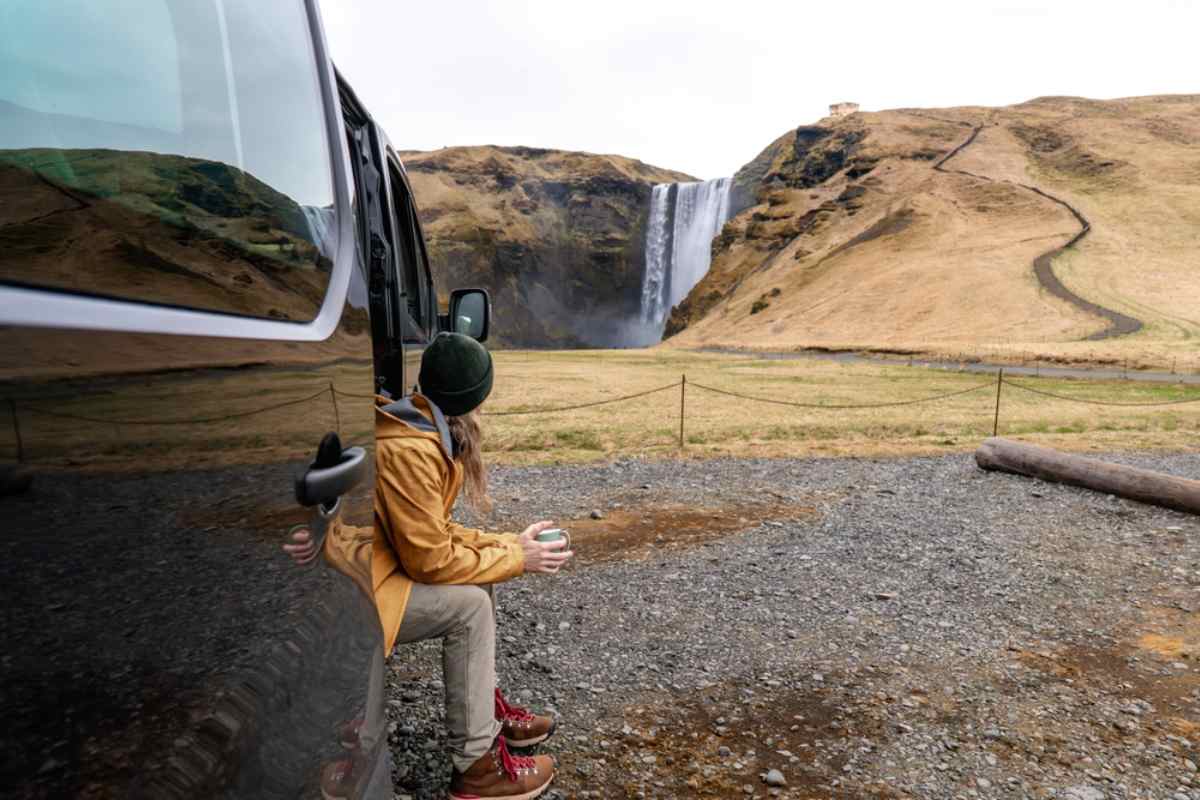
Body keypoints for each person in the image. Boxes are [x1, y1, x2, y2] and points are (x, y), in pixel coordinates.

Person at [293, 332, 572, 800]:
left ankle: (484, 713)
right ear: (470, 399)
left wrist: (509, 545)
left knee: (480, 583)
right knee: (470, 607)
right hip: (362, 582)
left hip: (373, 568)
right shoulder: (413, 450)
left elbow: (434, 532)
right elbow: (431, 559)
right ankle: (476, 768)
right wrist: (519, 559)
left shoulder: (420, 428)